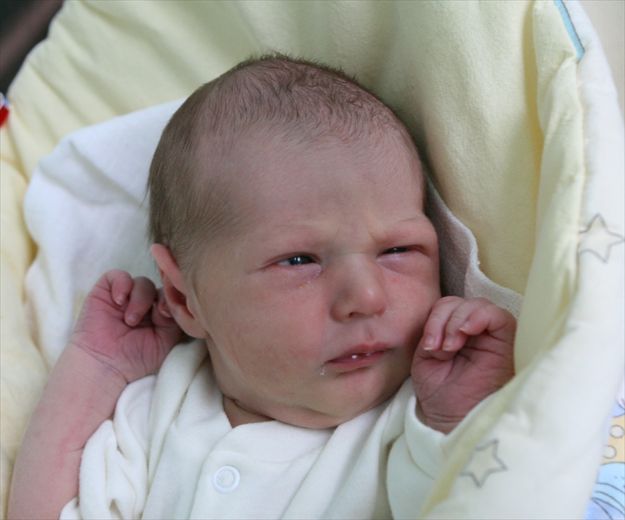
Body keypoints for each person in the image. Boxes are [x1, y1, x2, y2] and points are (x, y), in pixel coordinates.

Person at [8, 55, 516, 519]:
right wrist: (97, 367)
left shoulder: (415, 425)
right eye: (299, 260)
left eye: (398, 250)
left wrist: (462, 415)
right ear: (184, 298)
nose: (366, 297)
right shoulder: (156, 414)